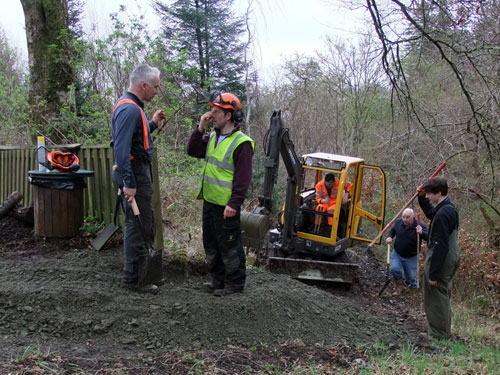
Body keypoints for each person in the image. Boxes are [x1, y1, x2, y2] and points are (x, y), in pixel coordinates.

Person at [187, 92, 254, 297]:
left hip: (226, 206)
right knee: (212, 244)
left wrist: (234, 204)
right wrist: (200, 128)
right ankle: (218, 281)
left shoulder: (242, 143)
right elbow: (192, 150)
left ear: (229, 116)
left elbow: (243, 179)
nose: (212, 114)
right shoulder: (213, 136)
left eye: (217, 112)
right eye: (212, 110)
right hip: (210, 201)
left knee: (229, 246)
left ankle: (234, 285)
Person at [111, 64, 166, 294]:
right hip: (135, 173)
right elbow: (122, 150)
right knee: (138, 225)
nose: (156, 91)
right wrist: (130, 183)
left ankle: (142, 275)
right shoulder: (130, 110)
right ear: (143, 86)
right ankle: (134, 280)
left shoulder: (134, 108)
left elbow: (135, 140)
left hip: (136, 172)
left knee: (143, 223)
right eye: (155, 87)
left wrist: (152, 124)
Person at [418, 177, 460, 339]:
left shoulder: (443, 214)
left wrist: (433, 274)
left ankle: (439, 334)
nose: (427, 196)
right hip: (450, 256)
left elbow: (441, 245)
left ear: (439, 193)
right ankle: (444, 331)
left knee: (435, 293)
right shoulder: (448, 208)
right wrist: (421, 198)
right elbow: (431, 214)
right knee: (442, 292)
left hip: (441, 256)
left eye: (429, 194)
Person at [386, 208, 428, 294]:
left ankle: (411, 292)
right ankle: (399, 287)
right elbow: (393, 231)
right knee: (394, 269)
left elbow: (428, 238)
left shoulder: (420, 225)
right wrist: (389, 237)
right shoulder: (398, 222)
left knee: (411, 278)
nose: (405, 219)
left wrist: (421, 233)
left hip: (411, 256)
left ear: (413, 217)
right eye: (403, 217)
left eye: (407, 217)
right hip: (398, 253)